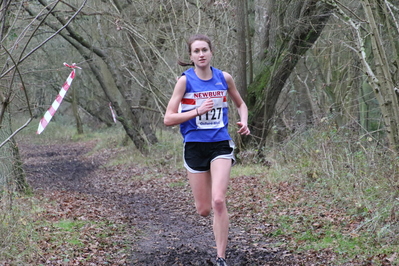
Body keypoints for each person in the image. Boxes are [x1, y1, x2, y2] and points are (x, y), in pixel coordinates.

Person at [164, 34, 250, 266]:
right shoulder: (185, 81)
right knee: (203, 209)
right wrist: (196, 112)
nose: (201, 54)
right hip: (194, 145)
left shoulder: (224, 78)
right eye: (196, 51)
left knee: (219, 201)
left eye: (204, 50)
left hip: (220, 143)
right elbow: (168, 118)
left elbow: (241, 104)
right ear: (191, 56)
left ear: (211, 52)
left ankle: (221, 258)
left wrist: (244, 121)